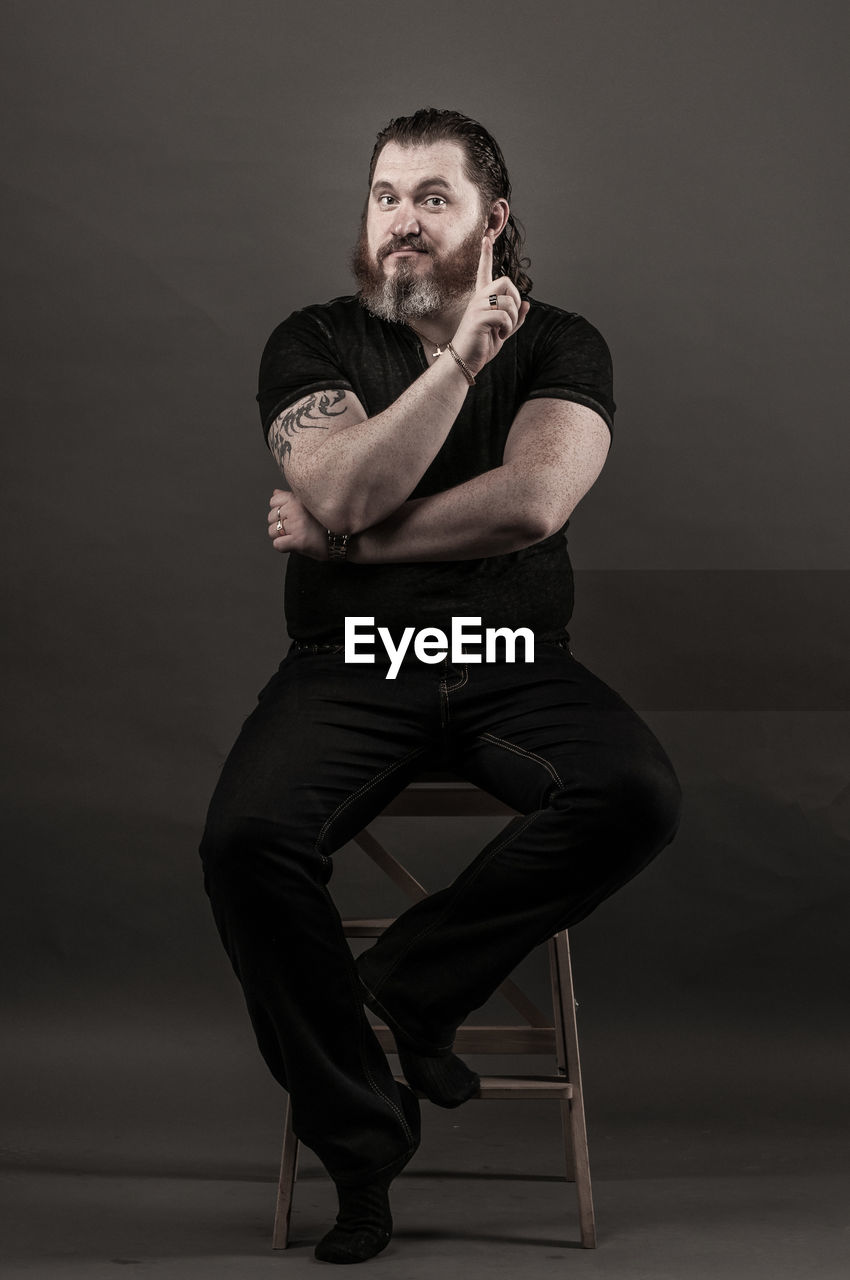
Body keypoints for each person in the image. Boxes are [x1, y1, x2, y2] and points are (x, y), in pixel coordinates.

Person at [200, 107, 681, 1264]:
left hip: (513, 660)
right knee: (244, 842)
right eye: (383, 195)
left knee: (634, 792)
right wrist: (459, 359)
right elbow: (345, 480)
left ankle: (410, 985)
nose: (400, 220)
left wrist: (346, 544)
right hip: (352, 665)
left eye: (431, 196)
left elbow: (532, 503)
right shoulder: (309, 342)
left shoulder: (564, 341)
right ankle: (362, 1141)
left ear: (491, 220)